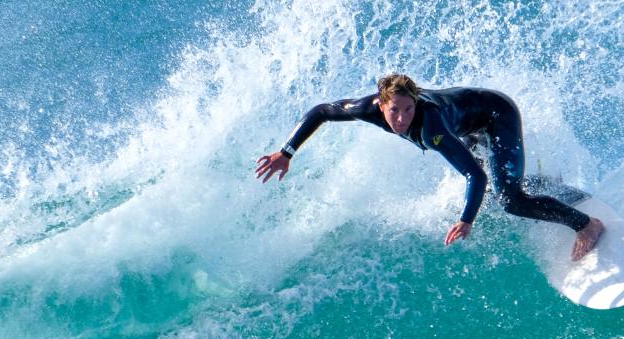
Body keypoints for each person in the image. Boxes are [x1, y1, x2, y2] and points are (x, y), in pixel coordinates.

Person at [255, 73, 605, 260]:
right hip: (468, 124)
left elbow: (474, 174)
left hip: (496, 115)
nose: (402, 119)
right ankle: (545, 187)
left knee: (508, 200)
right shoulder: (367, 108)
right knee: (502, 187)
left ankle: (585, 224)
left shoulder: (432, 126)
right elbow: (322, 111)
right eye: (395, 111)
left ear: (416, 103)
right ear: (380, 104)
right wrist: (287, 152)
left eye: (409, 110)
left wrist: (466, 220)